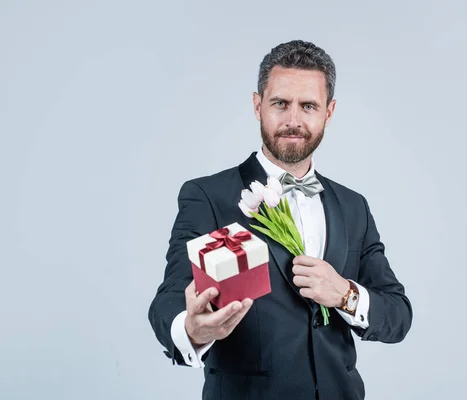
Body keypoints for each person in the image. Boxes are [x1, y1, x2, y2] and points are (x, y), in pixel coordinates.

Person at [148, 39, 413, 400]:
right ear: (258, 106)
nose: (293, 120)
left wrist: (345, 295)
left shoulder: (354, 207)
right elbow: (169, 299)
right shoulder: (208, 196)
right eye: (280, 104)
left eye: (308, 106)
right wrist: (193, 329)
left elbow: (397, 314)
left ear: (329, 112)